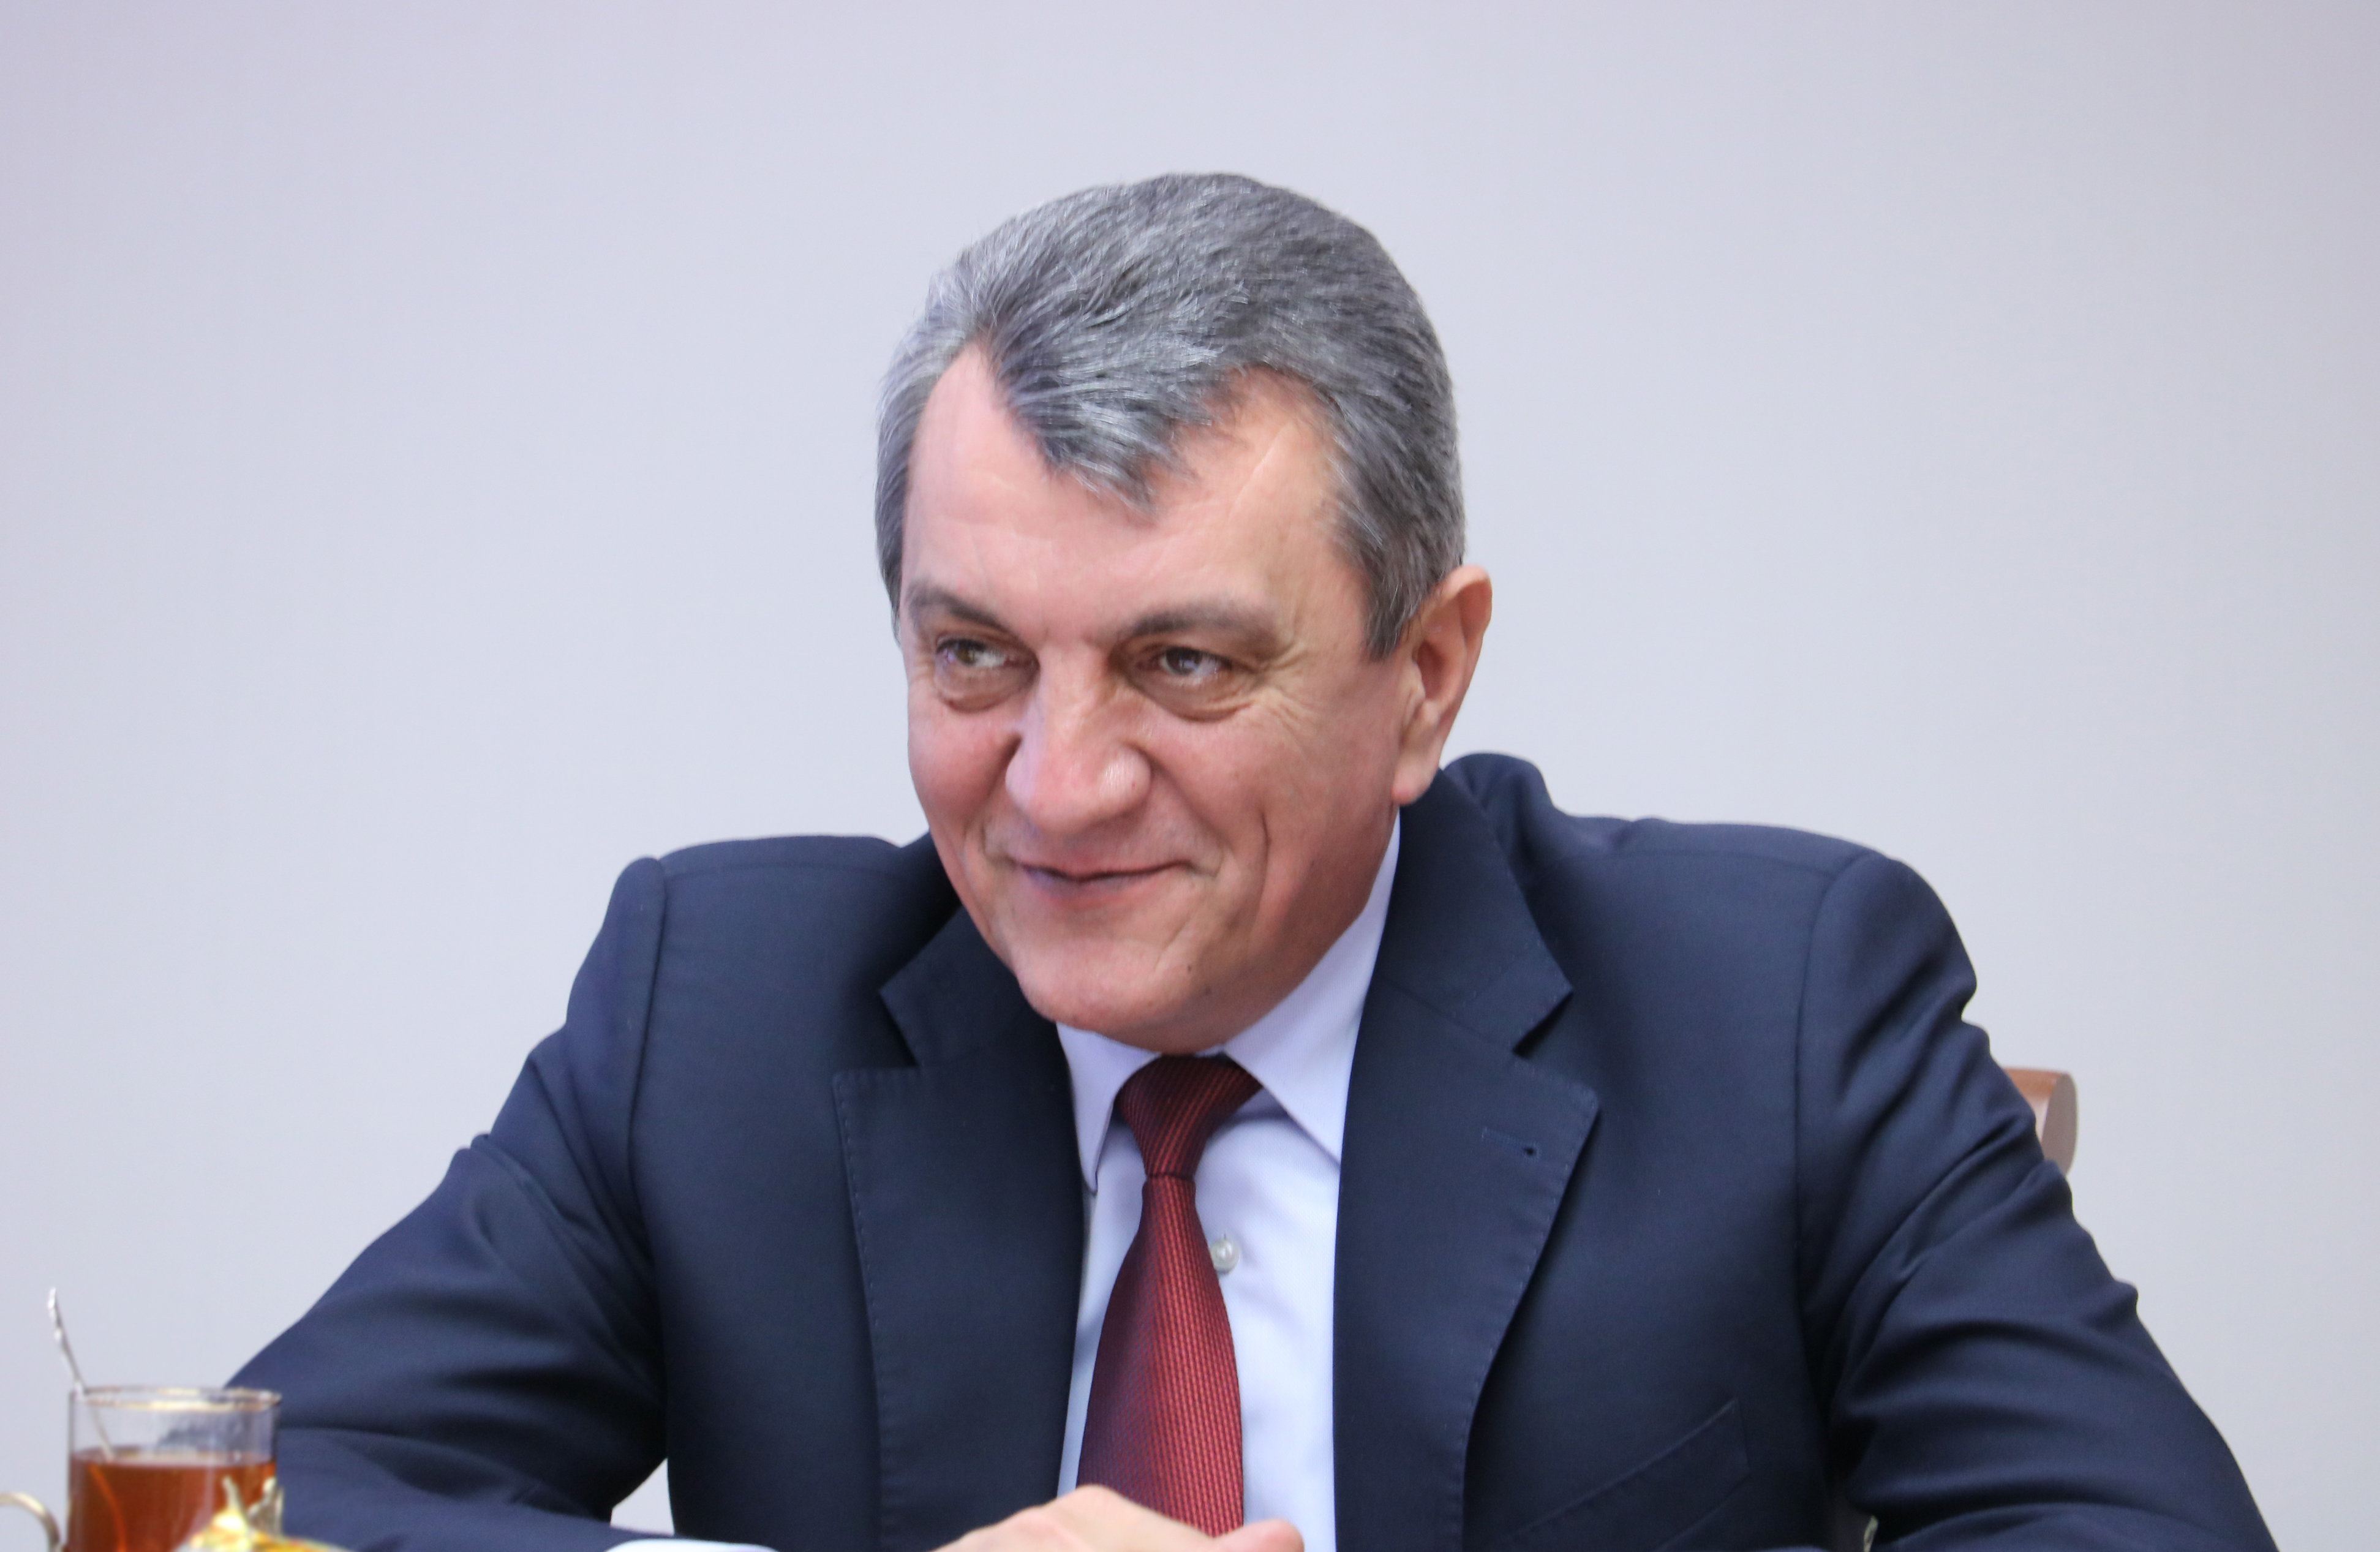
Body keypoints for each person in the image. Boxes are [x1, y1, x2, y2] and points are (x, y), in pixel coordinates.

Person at [236, 174, 2274, 1552]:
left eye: (1184, 664)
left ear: (1427, 675)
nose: (1057, 788)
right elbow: (260, 1506)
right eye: (975, 657)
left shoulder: (1779, 1009)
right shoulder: (718, 1013)